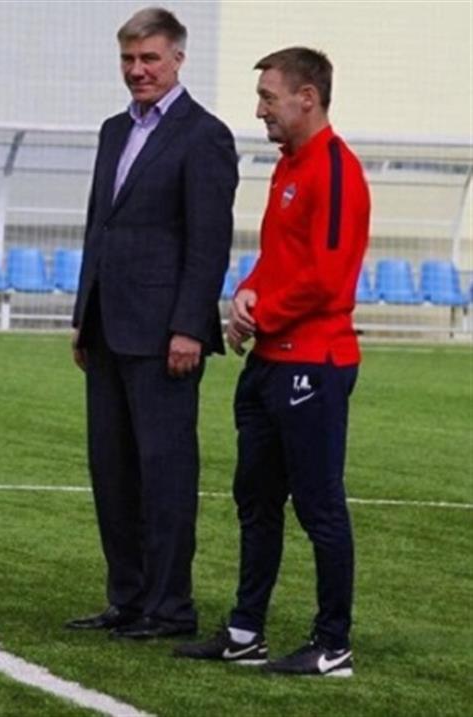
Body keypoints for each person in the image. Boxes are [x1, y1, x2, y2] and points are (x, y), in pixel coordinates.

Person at [175, 47, 370, 677]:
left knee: (319, 507)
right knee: (255, 501)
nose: (260, 110)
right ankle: (244, 632)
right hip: (269, 362)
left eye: (268, 97)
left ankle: (333, 644)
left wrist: (262, 314)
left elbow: (328, 278)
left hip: (314, 363)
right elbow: (278, 259)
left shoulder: (335, 169)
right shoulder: (288, 165)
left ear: (307, 98)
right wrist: (247, 294)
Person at [66, 7, 238, 639]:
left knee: (164, 473)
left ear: (177, 60)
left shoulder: (204, 135)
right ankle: (128, 598)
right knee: (112, 472)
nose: (137, 70)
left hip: (165, 334)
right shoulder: (114, 131)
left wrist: (189, 326)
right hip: (107, 327)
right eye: (128, 59)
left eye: (149, 59)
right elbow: (99, 226)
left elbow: (208, 241)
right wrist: (83, 315)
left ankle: (169, 608)